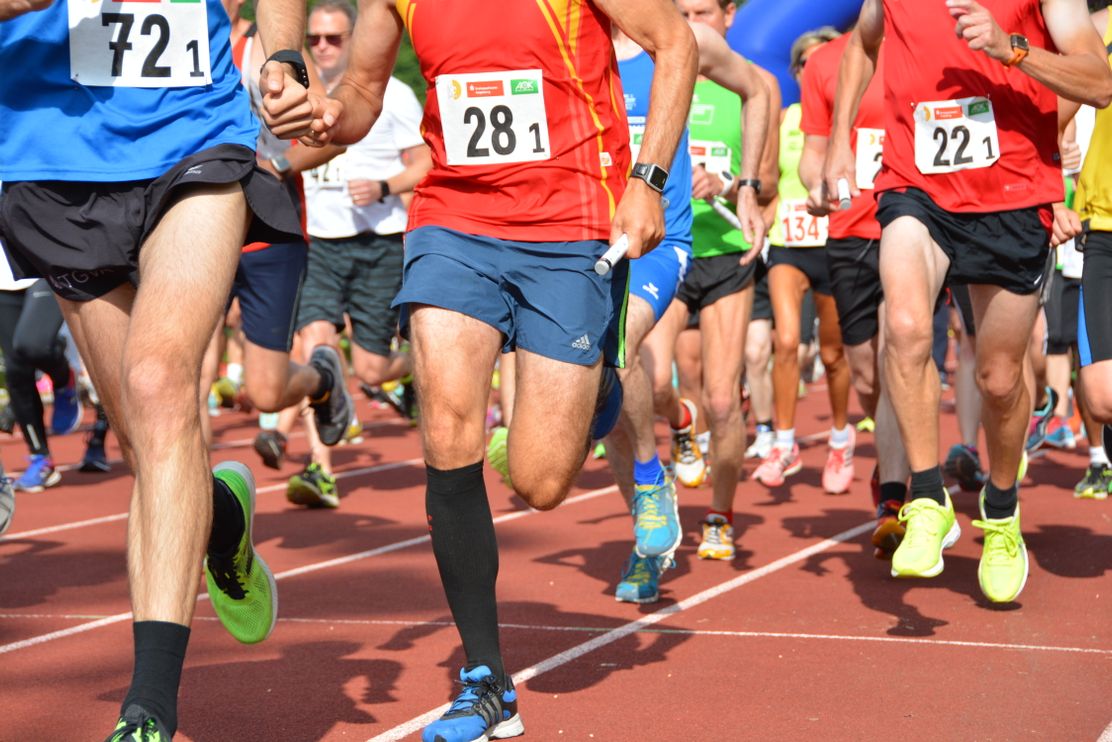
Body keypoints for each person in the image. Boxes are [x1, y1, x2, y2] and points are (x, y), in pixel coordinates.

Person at [269, 0, 698, 738]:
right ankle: (485, 679)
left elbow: (676, 41)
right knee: (446, 423)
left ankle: (602, 378)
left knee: (539, 483)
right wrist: (312, 122)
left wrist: (649, 178)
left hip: (569, 227)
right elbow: (363, 95)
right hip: (453, 224)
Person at [0, 0, 316, 736]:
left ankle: (147, 711)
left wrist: (282, 57)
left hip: (193, 132)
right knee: (151, 439)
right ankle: (220, 512)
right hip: (52, 159)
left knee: (158, 381)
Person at [825, 0, 1112, 603]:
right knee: (904, 328)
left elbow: (1099, 81)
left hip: (1013, 196)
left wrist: (1014, 49)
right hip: (915, 187)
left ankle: (1002, 512)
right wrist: (837, 143)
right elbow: (861, 44)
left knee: (1001, 378)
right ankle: (928, 499)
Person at [606, 10, 769, 603]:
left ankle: (694, 503)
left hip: (668, 243)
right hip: (590, 243)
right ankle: (648, 538)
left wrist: (745, 185)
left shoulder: (685, 40)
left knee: (711, 390)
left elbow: (759, 90)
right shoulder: (571, 38)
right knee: (611, 403)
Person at [276, 0, 430, 507]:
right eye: (314, 38)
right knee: (316, 347)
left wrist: (385, 186)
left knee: (368, 369)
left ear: (355, 39)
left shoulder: (394, 95)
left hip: (378, 245)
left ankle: (409, 371)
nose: (322, 47)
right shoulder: (297, 101)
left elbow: (427, 163)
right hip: (319, 244)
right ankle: (320, 469)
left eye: (334, 38)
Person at [755, 27, 856, 495]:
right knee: (787, 341)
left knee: (834, 354)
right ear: (797, 72)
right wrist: (761, 202)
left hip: (833, 245)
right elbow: (767, 179)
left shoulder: (849, 120)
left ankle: (839, 438)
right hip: (789, 245)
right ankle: (785, 443)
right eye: (805, 64)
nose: (815, 70)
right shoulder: (784, 119)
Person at [0, 272, 82, 492]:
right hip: (3, 281)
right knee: (16, 370)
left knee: (33, 345)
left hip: (41, 269)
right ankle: (40, 459)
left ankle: (65, 380)